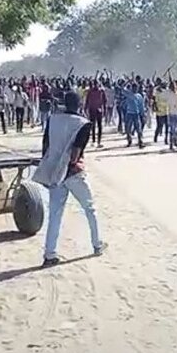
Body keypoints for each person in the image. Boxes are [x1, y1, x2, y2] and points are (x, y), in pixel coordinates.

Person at [33, 91, 106, 266]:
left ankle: (49, 254)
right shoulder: (83, 124)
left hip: (55, 173)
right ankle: (97, 244)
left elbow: (46, 147)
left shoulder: (52, 120)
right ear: (79, 104)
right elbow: (75, 154)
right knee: (90, 208)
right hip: (73, 172)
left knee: (55, 215)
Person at [84, 79, 106, 148]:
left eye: (97, 84)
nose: (96, 85)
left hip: (99, 110)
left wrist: (104, 110)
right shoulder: (90, 91)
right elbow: (87, 100)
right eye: (95, 83)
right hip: (92, 110)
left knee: (99, 126)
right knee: (93, 126)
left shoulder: (101, 91)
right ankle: (94, 141)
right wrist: (85, 109)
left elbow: (104, 101)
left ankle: (99, 141)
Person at [123, 83, 145, 148]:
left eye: (136, 88)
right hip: (129, 113)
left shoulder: (139, 96)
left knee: (139, 129)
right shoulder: (128, 94)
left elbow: (141, 105)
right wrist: (127, 82)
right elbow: (122, 89)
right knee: (128, 128)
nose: (135, 89)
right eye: (134, 88)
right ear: (132, 88)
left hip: (136, 114)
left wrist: (142, 113)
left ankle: (140, 142)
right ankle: (129, 141)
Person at [153, 79, 169, 144]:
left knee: (167, 126)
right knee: (159, 126)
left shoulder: (167, 92)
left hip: (166, 111)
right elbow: (155, 102)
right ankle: (155, 136)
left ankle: (166, 139)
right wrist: (155, 108)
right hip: (159, 112)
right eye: (164, 85)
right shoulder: (157, 92)